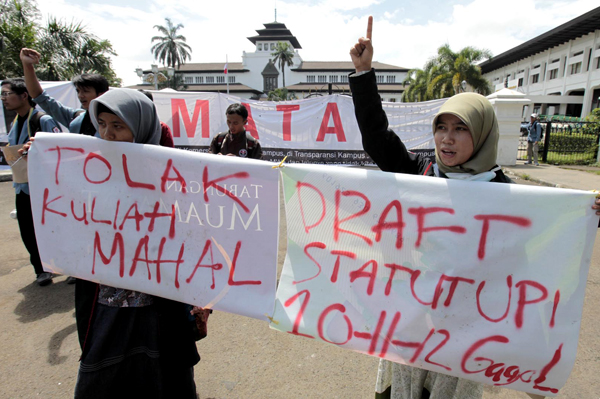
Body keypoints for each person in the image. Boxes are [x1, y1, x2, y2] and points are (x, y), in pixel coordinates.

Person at [349, 17, 512, 399]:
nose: (447, 139)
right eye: (442, 127)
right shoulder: (421, 173)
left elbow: (546, 241)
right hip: (413, 316)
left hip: (467, 326)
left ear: (483, 133)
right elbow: (376, 138)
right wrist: (364, 73)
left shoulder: (507, 194)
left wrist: (588, 213)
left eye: (461, 128)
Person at [65, 89, 198, 398]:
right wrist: (42, 160)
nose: (107, 134)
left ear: (141, 130)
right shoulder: (88, 171)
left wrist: (200, 296)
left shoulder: (171, 178)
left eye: (118, 126)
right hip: (107, 304)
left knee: (164, 379)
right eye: (101, 124)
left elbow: (191, 240)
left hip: (158, 307)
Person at [2, 78, 61, 286]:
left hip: (44, 189)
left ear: (24, 95)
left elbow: (58, 152)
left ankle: (70, 266)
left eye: (7, 93)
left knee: (55, 228)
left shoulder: (43, 120)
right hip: (22, 187)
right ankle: (41, 269)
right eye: (2, 94)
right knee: (28, 230)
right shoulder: (15, 122)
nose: (4, 98)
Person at [20, 48, 109, 136]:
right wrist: (27, 65)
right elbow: (39, 96)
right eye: (78, 91)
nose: (80, 96)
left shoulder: (118, 121)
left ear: (102, 94)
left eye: (86, 91)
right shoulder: (76, 118)